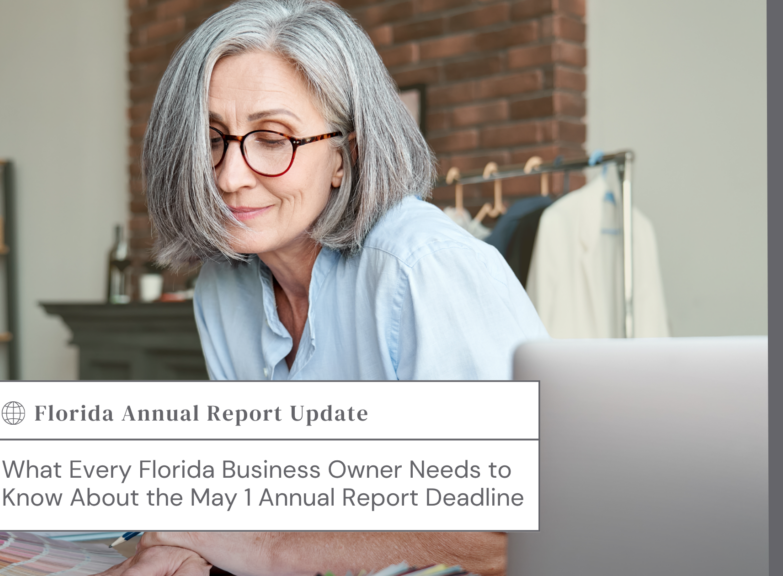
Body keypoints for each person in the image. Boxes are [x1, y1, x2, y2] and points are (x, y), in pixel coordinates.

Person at [105, 1, 548, 575]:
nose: (228, 176)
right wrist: (184, 541)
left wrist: (262, 548)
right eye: (212, 138)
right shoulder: (223, 283)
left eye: (273, 138)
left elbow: (514, 539)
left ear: (346, 154)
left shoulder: (422, 268)